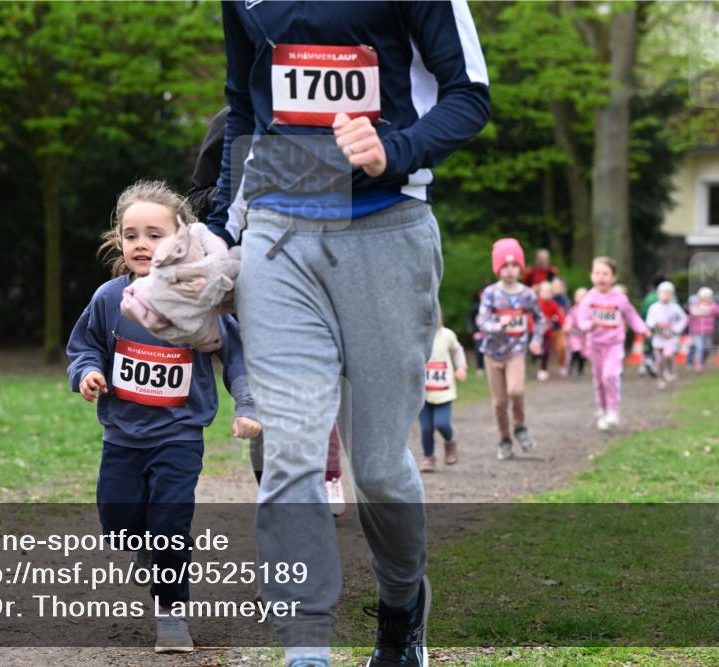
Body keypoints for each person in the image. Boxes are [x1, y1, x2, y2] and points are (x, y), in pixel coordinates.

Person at [207, 2, 491, 664]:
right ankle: (306, 646)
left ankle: (400, 609)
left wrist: (394, 150)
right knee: (291, 453)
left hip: (387, 229)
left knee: (380, 468)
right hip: (278, 233)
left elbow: (469, 95)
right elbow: (242, 105)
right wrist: (222, 228)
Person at [66, 181, 261, 654]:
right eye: (131, 235)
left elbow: (235, 354)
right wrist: (88, 373)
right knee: (116, 522)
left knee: (171, 526)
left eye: (155, 235)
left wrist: (247, 404)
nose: (142, 244)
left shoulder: (200, 299)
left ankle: (171, 614)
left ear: (181, 240)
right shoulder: (110, 298)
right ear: (119, 239)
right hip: (122, 436)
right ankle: (148, 550)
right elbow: (85, 346)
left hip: (179, 434)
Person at [187, 107, 348, 518]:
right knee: (266, 398)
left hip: (311, 272)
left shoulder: (317, 121)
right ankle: (281, 498)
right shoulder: (230, 122)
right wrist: (239, 192)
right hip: (248, 274)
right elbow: (196, 200)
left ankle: (319, 477)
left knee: (309, 382)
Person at [477, 238, 545, 460]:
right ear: (497, 268)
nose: (509, 270)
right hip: (492, 353)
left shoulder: (527, 294)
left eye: (514, 265)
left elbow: (540, 319)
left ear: (521, 267)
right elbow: (482, 321)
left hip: (516, 351)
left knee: (516, 391)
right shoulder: (490, 294)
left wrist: (536, 340)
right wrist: (498, 326)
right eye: (504, 266)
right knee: (499, 402)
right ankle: (505, 439)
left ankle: (520, 427)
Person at [575, 257, 648, 431]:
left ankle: (613, 411)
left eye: (605, 274)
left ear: (613, 278)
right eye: (597, 273)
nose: (601, 278)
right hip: (595, 345)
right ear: (591, 276)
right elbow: (581, 320)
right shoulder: (589, 299)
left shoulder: (620, 299)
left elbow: (631, 315)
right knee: (599, 380)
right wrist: (589, 325)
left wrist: (642, 329)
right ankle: (602, 409)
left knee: (610, 376)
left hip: (614, 344)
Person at [419, 312, 467, 472]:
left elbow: (458, 350)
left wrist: (461, 367)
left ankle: (450, 442)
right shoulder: (417, 335)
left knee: (441, 423)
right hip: (423, 393)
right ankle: (428, 458)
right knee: (426, 428)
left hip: (444, 392)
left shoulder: (447, 335)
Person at [645, 281, 688, 387]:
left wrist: (675, 329)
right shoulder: (654, 307)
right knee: (659, 360)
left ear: (672, 295)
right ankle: (661, 378)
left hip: (670, 338)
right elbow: (649, 321)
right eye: (663, 293)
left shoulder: (675, 307)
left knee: (668, 355)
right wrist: (655, 326)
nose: (665, 296)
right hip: (658, 338)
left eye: (668, 293)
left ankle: (669, 371)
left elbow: (683, 319)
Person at [687, 286, 719, 371]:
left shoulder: (713, 306)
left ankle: (702, 361)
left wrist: (713, 306)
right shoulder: (695, 306)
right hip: (697, 331)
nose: (706, 299)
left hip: (708, 332)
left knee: (707, 349)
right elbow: (690, 317)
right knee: (699, 347)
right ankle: (698, 365)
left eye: (708, 297)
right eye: (704, 297)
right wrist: (688, 329)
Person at [535, 281, 565, 381]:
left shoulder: (554, 304)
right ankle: (535, 358)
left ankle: (543, 369)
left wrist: (562, 324)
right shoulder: (536, 304)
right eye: (544, 291)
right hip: (536, 333)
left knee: (546, 351)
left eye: (549, 292)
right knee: (537, 350)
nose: (546, 294)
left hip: (548, 332)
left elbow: (560, 316)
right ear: (540, 293)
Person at [563, 287, 588, 377]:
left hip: (585, 336)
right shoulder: (573, 310)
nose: (582, 298)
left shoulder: (590, 311)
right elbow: (568, 322)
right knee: (576, 350)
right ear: (575, 298)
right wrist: (569, 327)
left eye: (584, 296)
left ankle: (580, 370)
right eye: (579, 296)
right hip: (575, 335)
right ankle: (569, 366)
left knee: (583, 354)